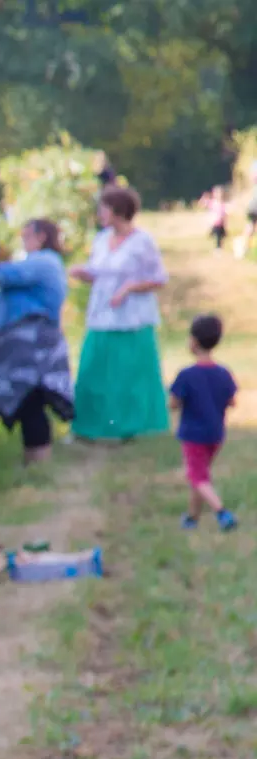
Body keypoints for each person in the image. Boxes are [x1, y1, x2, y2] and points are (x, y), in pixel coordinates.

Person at [0, 219, 72, 464]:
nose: (23, 240)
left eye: (27, 235)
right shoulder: (39, 262)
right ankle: (34, 460)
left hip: (32, 343)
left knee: (31, 398)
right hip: (26, 342)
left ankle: (39, 461)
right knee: (28, 401)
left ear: (42, 236)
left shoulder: (43, 262)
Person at [71, 187, 170, 441]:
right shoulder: (101, 239)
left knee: (128, 375)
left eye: (104, 208)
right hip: (101, 315)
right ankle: (89, 426)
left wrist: (129, 288)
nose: (100, 214)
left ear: (118, 210)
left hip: (131, 318)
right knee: (94, 369)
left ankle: (128, 427)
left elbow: (158, 278)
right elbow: (99, 271)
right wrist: (85, 274)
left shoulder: (142, 241)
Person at [170, 314, 239, 531]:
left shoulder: (186, 375)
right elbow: (232, 401)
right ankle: (192, 518)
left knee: (196, 476)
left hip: (193, 435)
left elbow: (173, 404)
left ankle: (222, 512)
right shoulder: (224, 373)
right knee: (200, 476)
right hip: (216, 434)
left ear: (193, 341)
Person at [207, 185, 230, 250]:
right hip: (216, 222)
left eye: (220, 193)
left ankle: (220, 246)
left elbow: (225, 213)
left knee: (222, 235)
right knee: (218, 235)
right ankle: (218, 247)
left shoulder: (223, 203)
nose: (219, 195)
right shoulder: (213, 203)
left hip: (221, 223)